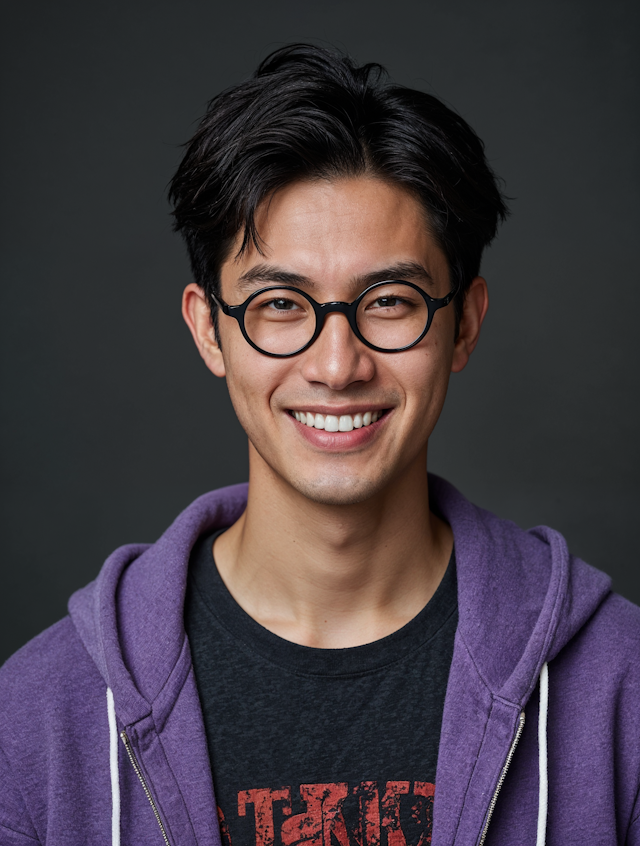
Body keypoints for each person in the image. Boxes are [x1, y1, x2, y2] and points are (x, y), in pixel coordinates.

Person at [1, 43, 639, 846]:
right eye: (279, 305)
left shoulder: (623, 688)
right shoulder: (35, 719)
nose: (338, 366)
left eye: (391, 301)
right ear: (209, 330)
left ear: (465, 322)